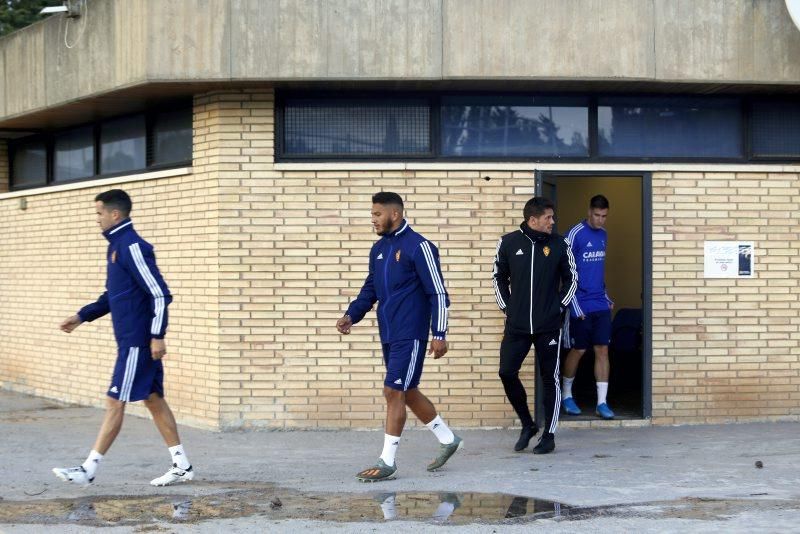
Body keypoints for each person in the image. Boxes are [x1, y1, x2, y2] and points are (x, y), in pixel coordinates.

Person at [53, 189, 193, 487]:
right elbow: (113, 296)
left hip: (137, 343)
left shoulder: (131, 246)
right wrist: (82, 316)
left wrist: (157, 336)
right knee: (153, 399)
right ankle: (182, 465)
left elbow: (159, 293)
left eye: (99, 213)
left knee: (114, 401)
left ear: (115, 214)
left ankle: (88, 469)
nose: (97, 219)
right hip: (132, 340)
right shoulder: (116, 246)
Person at [336, 192, 462, 482]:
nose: (373, 219)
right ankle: (447, 439)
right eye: (372, 214)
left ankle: (387, 462)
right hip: (389, 333)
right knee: (407, 390)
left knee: (393, 391)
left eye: (377, 214)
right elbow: (370, 289)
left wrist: (439, 333)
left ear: (395, 214)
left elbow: (438, 293)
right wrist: (351, 315)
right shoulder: (379, 249)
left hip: (411, 333)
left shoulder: (420, 247)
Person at [492, 196, 577, 454]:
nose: (553, 221)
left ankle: (549, 435)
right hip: (517, 326)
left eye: (553, 217)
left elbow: (571, 279)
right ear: (533, 219)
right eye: (548, 217)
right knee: (507, 372)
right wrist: (507, 307)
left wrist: (559, 307)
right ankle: (528, 424)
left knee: (549, 378)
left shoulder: (560, 243)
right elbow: (498, 277)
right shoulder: (508, 243)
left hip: (548, 325)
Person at [562, 195, 615, 419]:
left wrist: (606, 295)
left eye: (604, 216)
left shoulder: (603, 235)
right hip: (579, 304)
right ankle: (566, 396)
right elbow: (565, 272)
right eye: (596, 215)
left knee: (602, 349)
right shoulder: (574, 234)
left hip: (599, 303)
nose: (600, 220)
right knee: (579, 350)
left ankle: (602, 403)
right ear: (589, 211)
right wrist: (574, 305)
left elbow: (597, 272)